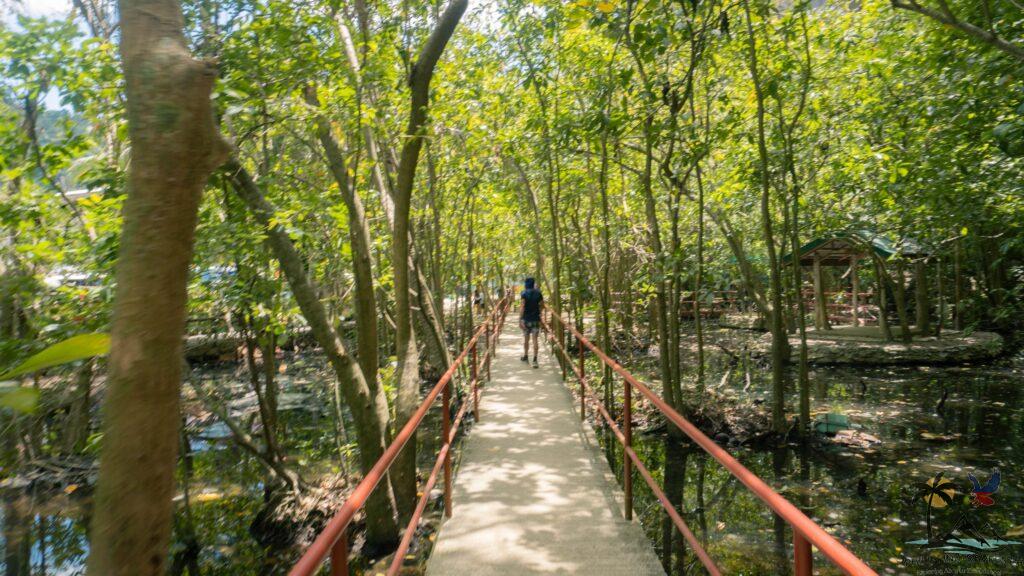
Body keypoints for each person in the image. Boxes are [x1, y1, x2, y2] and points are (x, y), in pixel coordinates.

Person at [519, 277, 543, 367]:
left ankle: (525, 356)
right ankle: (535, 360)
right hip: (536, 320)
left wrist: (520, 319)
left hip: (526, 320)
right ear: (533, 284)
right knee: (535, 340)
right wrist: (539, 312)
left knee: (526, 339)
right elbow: (542, 305)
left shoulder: (524, 293)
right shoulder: (538, 293)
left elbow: (522, 307)